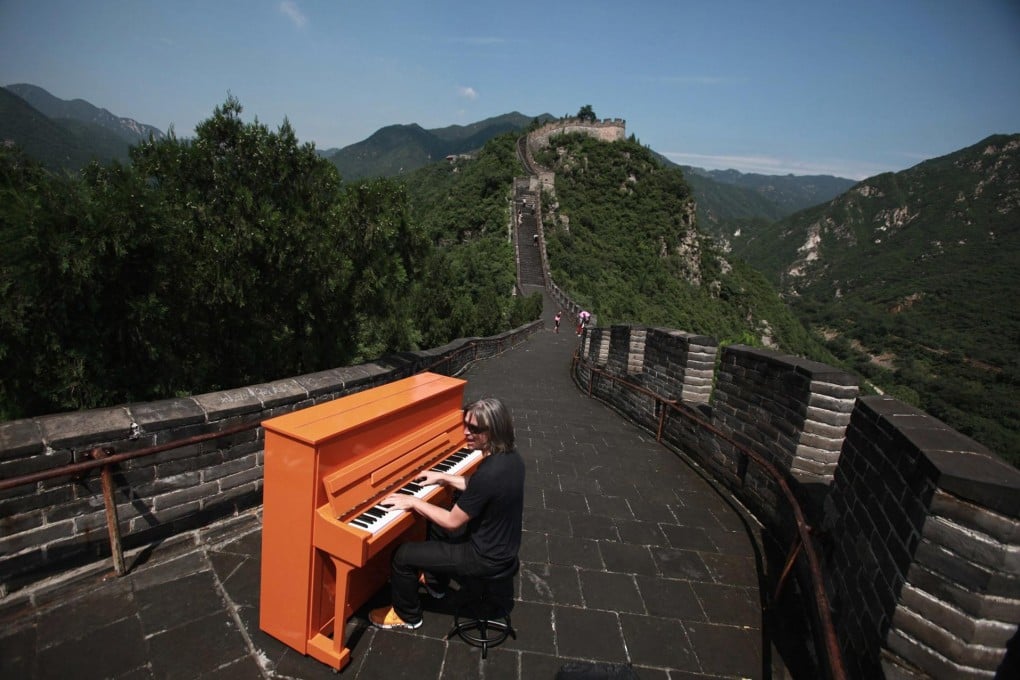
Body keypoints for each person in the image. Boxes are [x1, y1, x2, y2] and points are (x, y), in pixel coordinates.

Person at [369, 398, 526, 630]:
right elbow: (477, 487)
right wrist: (443, 477)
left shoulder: (489, 473)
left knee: (402, 555)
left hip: (483, 556)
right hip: (503, 547)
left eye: (474, 429)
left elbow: (453, 522)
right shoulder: (512, 459)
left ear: (493, 431)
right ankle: (436, 585)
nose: (465, 432)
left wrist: (413, 501)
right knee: (435, 521)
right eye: (465, 424)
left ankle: (407, 616)